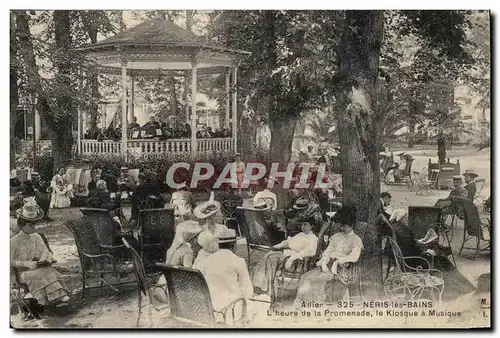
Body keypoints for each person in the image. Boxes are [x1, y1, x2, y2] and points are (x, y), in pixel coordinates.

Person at [379, 213, 476, 300]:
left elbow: (408, 246)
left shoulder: (396, 227)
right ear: (402, 218)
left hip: (407, 260)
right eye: (406, 217)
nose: (407, 218)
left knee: (440, 258)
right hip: (413, 263)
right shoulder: (403, 229)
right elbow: (410, 250)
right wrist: (426, 252)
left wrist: (419, 243)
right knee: (441, 259)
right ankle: (463, 288)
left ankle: (460, 287)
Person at [292, 206, 363, 308]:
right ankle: (302, 302)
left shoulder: (356, 240)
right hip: (328, 264)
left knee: (316, 281)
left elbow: (354, 256)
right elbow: (328, 251)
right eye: (341, 225)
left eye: (345, 226)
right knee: (306, 277)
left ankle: (315, 305)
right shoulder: (337, 236)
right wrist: (325, 261)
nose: (342, 228)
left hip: (340, 267)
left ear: (351, 225)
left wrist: (338, 261)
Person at [11, 203, 70, 314]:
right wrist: (25, 264)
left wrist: (44, 260)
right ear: (22, 225)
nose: (33, 228)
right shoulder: (13, 241)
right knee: (42, 273)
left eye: (34, 225)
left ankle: (55, 297)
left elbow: (45, 251)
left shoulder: (36, 236)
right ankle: (50, 298)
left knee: (47, 269)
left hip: (38, 267)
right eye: (30, 225)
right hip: (23, 272)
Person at [195, 229, 254, 323]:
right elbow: (248, 291)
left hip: (211, 309)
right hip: (232, 310)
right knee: (263, 300)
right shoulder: (239, 261)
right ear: (234, 245)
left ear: (219, 244)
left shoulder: (205, 261)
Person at [252, 222, 317, 296]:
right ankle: (260, 286)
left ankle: (268, 290)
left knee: (270, 259)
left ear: (312, 226)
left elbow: (307, 252)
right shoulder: (301, 234)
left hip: (295, 259)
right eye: (302, 225)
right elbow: (288, 242)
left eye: (305, 225)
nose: (303, 227)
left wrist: (292, 258)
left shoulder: (312, 238)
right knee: (268, 256)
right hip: (287, 253)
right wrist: (276, 246)